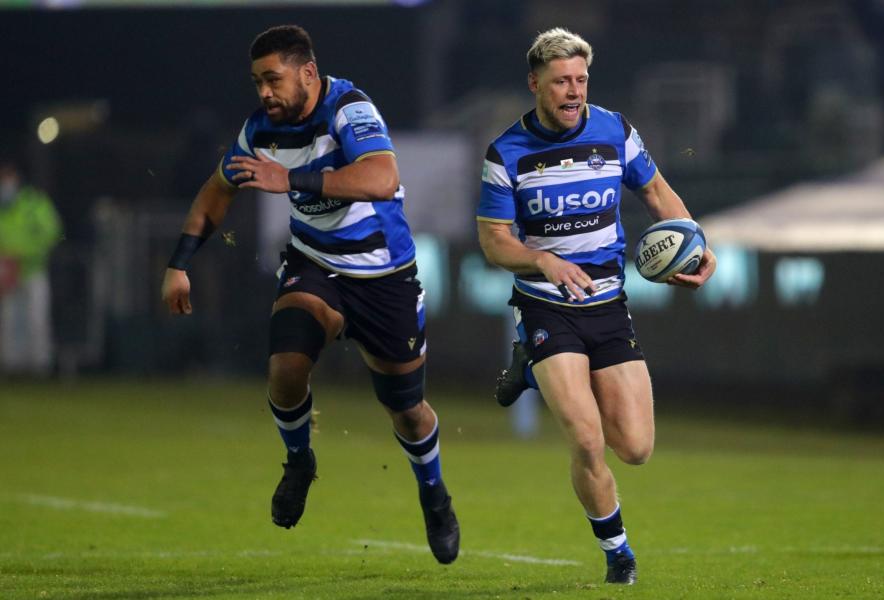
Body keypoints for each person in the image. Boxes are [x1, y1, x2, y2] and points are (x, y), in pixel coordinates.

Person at [160, 25, 459, 564]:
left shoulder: (349, 108)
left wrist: (293, 180)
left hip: (383, 276)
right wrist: (179, 264)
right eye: (257, 82)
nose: (264, 93)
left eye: (273, 79)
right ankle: (299, 461)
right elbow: (216, 190)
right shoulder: (260, 130)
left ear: (307, 73)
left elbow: (382, 177)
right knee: (285, 367)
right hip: (315, 266)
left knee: (408, 410)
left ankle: (434, 493)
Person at [476, 28, 716, 585]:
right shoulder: (506, 153)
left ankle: (527, 372)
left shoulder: (615, 131)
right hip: (545, 305)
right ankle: (618, 552)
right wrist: (543, 261)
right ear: (535, 83)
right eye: (561, 81)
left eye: (581, 79)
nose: (573, 91)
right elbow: (494, 241)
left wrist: (697, 245)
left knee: (634, 448)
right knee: (586, 438)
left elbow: (658, 195)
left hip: (608, 304)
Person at [0, 159, 62, 376]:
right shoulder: (2, 208)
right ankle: (12, 367)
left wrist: (22, 255)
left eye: (8, 177)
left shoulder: (34, 202)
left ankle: (39, 367)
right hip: (6, 273)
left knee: (37, 318)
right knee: (9, 321)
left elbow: (51, 232)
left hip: (33, 270)